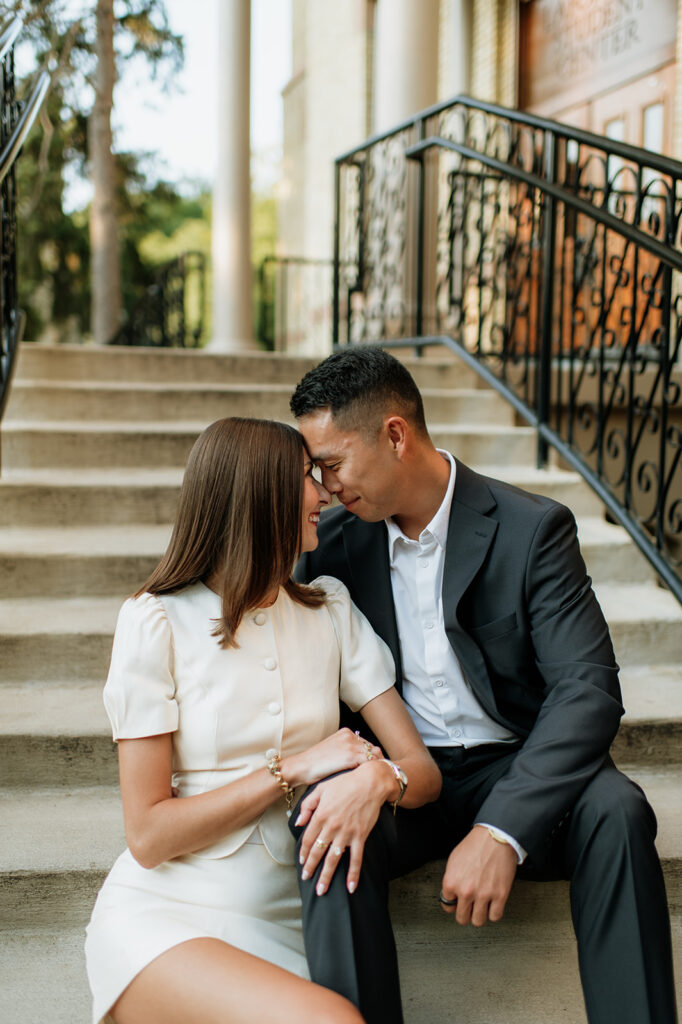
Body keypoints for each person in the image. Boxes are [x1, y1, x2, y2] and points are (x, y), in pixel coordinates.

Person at [290, 346, 678, 1024]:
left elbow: (587, 691)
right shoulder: (334, 544)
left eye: (331, 464)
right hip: (403, 773)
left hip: (518, 765)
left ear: (395, 435)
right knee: (324, 826)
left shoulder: (531, 528)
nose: (323, 487)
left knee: (617, 811)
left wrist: (502, 829)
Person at [84, 416, 441, 1024]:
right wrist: (297, 767)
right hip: (171, 918)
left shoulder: (329, 609)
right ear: (260, 493)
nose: (324, 493)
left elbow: (422, 771)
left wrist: (383, 779)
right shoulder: (155, 622)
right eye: (307, 476)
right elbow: (148, 836)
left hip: (296, 919)